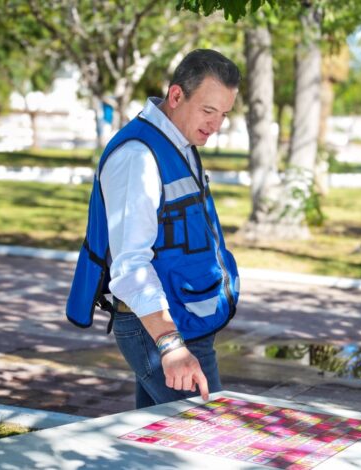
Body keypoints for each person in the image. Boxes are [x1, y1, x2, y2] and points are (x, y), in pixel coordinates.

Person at [66, 49, 241, 408]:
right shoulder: (138, 157)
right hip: (161, 329)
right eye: (208, 111)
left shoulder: (181, 140)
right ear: (176, 95)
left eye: (223, 114)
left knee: (159, 448)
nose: (216, 124)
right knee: (207, 443)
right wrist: (171, 345)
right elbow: (130, 265)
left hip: (184, 321)